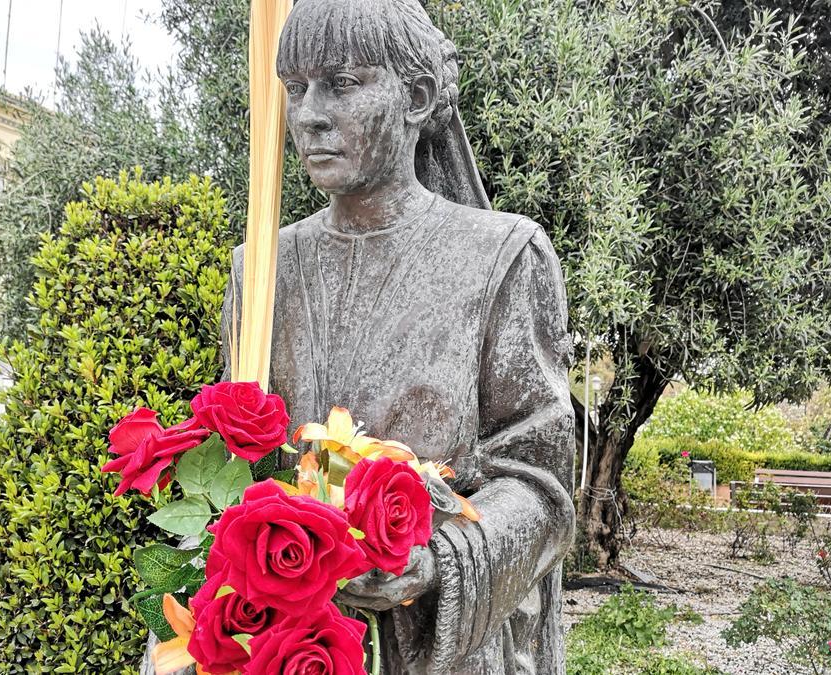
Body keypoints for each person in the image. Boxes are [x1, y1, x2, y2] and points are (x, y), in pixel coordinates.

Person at [147, 1, 576, 672]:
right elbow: (236, 461)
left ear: (419, 96)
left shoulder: (503, 258)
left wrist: (436, 559)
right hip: (283, 648)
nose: (310, 113)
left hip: (436, 650)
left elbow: (541, 482)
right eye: (295, 88)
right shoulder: (261, 269)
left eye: (342, 83)